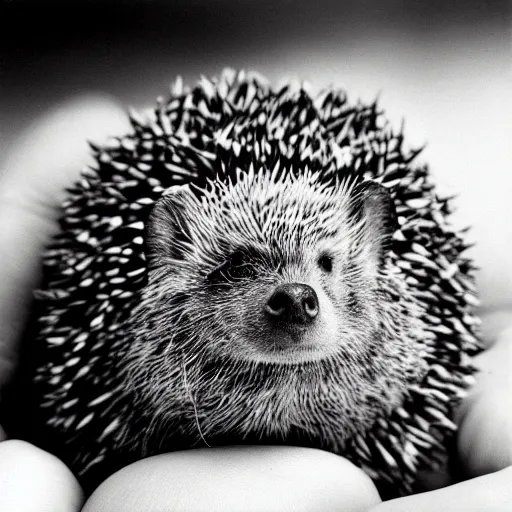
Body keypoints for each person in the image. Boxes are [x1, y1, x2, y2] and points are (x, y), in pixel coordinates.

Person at [0, 96, 510, 512]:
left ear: (369, 251)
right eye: (236, 268)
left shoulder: (401, 343)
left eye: (326, 265)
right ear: (171, 251)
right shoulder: (134, 350)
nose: (297, 298)